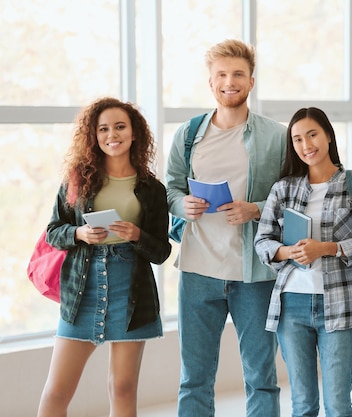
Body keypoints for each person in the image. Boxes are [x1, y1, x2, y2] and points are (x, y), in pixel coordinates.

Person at [165, 39, 286, 417]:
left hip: (255, 273)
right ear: (210, 82)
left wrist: (257, 209)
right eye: (221, 75)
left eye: (237, 74)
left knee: (261, 376)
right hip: (198, 271)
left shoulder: (277, 136)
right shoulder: (189, 134)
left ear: (251, 81)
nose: (229, 82)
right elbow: (171, 187)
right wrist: (181, 204)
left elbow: (296, 196)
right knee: (194, 379)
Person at [37, 97, 172, 417]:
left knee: (123, 388)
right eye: (104, 129)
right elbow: (53, 231)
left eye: (120, 127)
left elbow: (162, 251)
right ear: (94, 136)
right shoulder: (77, 179)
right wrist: (79, 234)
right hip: (81, 288)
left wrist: (136, 235)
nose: (113, 134)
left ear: (134, 133)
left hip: (131, 293)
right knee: (57, 390)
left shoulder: (152, 189)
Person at [254, 107, 352, 416]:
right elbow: (263, 242)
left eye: (312, 134)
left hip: (338, 304)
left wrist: (325, 248)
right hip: (291, 304)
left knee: (338, 404)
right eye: (297, 139)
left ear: (327, 135)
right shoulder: (283, 189)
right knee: (303, 404)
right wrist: (289, 252)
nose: (306, 145)